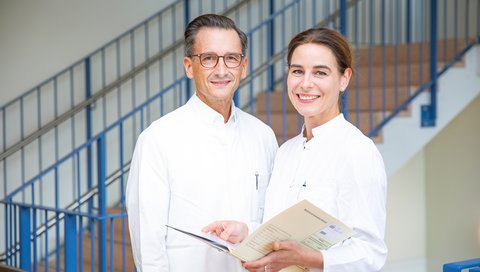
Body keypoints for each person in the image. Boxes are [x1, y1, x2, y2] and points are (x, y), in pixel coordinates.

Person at [203, 27, 388, 271]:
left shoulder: (357, 151)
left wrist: (307, 258)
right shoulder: (286, 152)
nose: (306, 83)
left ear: (344, 79)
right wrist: (247, 231)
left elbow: (370, 253)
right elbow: (280, 231)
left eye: (320, 72)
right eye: (297, 71)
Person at [125, 14, 278, 272]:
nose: (221, 70)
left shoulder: (263, 135)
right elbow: (148, 243)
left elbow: (272, 221)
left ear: (244, 66)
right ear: (189, 66)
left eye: (231, 58)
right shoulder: (158, 139)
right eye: (208, 58)